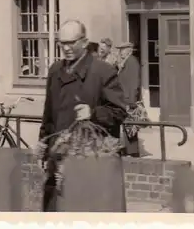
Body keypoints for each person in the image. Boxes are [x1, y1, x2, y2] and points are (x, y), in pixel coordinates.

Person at [38, 20, 128, 212]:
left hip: (89, 159)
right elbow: (48, 113)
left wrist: (93, 113)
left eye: (71, 42)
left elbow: (119, 111)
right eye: (62, 43)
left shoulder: (103, 72)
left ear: (85, 42)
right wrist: (44, 147)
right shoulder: (55, 71)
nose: (66, 48)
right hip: (59, 158)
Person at [115, 42, 142, 157]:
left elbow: (134, 82)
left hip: (129, 99)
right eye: (120, 49)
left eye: (122, 49)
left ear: (129, 50)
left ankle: (133, 151)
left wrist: (132, 100)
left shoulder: (132, 61)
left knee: (131, 125)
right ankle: (129, 149)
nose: (120, 52)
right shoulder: (125, 62)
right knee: (127, 125)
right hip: (125, 98)